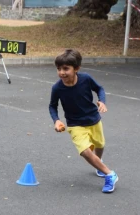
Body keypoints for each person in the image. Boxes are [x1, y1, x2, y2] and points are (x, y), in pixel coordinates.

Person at [48, 49, 118, 193]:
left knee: (99, 144)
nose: (62, 72)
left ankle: (99, 165)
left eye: (66, 68)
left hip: (94, 119)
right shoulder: (57, 88)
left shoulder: (86, 79)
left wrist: (102, 101)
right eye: (59, 69)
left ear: (76, 69)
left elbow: (99, 89)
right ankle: (110, 174)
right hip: (75, 125)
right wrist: (56, 120)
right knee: (85, 152)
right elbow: (52, 106)